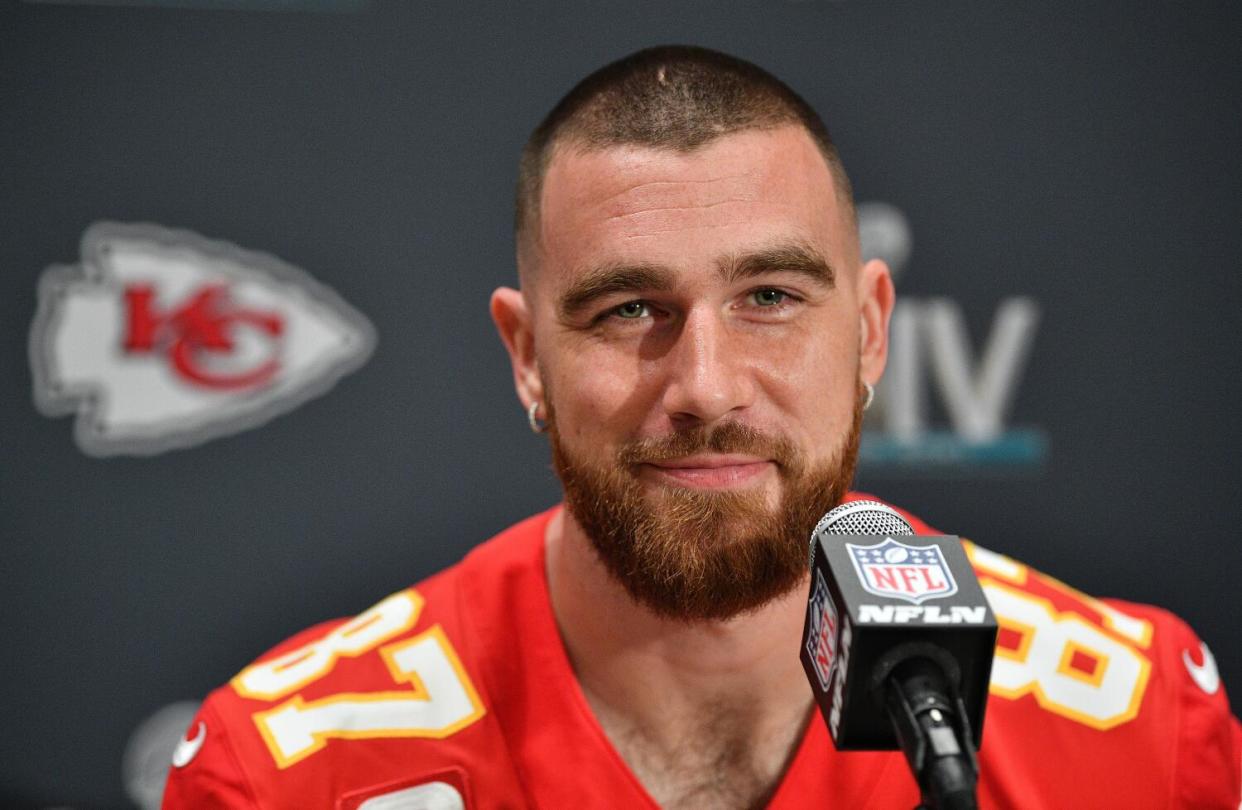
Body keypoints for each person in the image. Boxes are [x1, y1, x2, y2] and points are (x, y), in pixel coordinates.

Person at [162, 46, 1241, 809]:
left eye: (770, 296)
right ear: (527, 355)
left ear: (870, 333)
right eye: (630, 310)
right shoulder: (288, 773)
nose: (707, 387)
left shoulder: (1138, 735)